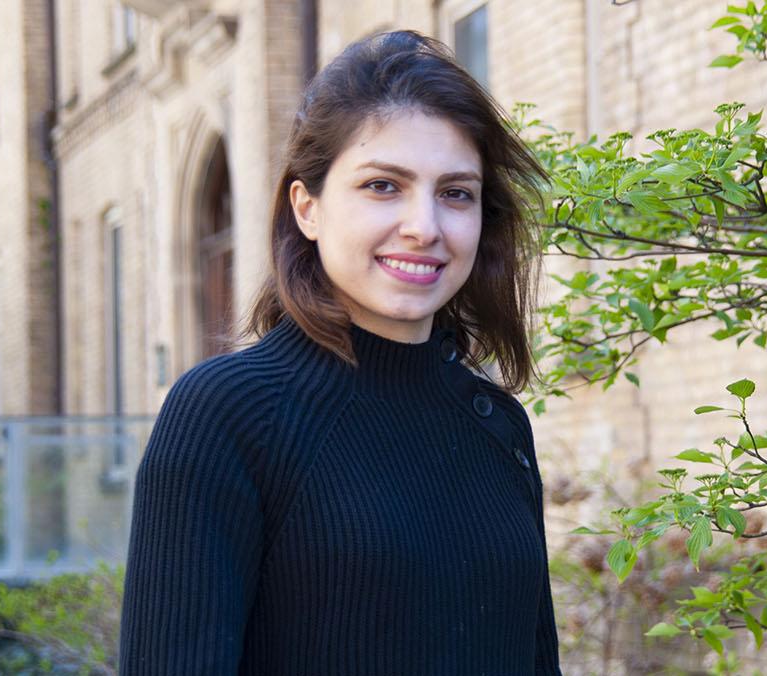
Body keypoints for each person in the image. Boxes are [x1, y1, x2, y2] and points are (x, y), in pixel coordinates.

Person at [118, 30, 562, 675]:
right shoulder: (228, 414)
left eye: (456, 193)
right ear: (308, 208)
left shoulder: (496, 423)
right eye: (384, 186)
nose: (425, 226)